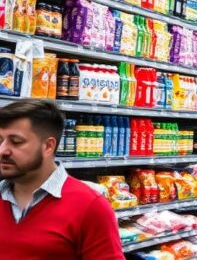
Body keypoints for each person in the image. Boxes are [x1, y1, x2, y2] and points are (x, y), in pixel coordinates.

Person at [0, 99, 121, 259]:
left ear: (48, 146)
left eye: (16, 142)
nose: (3, 150)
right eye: (0, 140)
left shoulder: (91, 207)